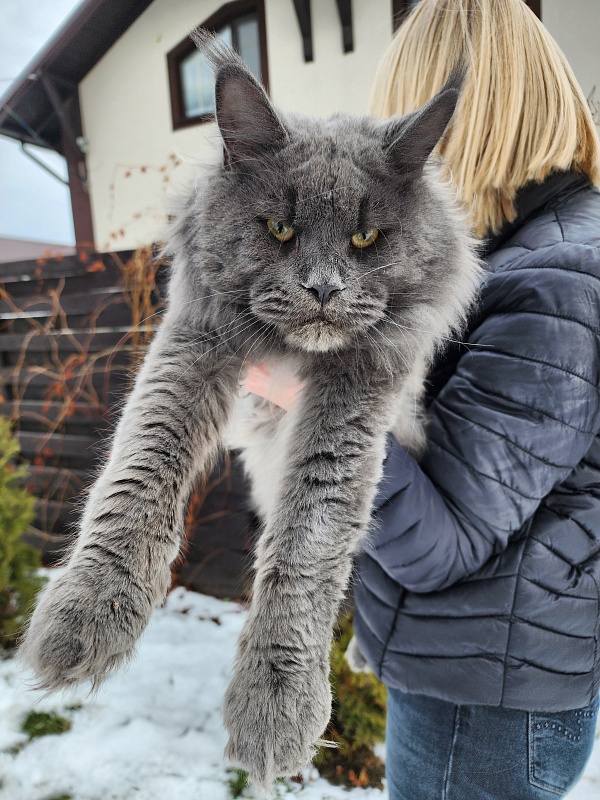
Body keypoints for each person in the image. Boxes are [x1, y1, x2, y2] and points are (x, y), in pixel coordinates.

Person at [243, 0, 600, 797]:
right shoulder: (518, 253)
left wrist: (310, 400)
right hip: (483, 677)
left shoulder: (551, 281)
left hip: (482, 710)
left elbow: (442, 545)